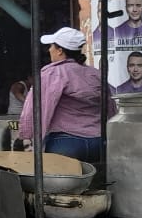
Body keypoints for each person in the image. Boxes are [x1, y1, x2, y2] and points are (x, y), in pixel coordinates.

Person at [18, 27, 108, 163]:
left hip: (66, 144)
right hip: (99, 143)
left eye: (51, 46)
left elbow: (35, 106)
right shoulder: (95, 74)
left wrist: (26, 135)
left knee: (57, 177)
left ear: (60, 50)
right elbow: (109, 106)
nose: (49, 50)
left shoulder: (53, 73)